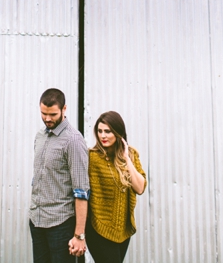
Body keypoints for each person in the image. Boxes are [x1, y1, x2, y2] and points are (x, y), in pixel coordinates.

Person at [29, 88, 90, 262]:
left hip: (61, 224)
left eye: (53, 114)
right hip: (37, 220)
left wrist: (79, 235)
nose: (47, 119)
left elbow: (81, 191)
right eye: (43, 113)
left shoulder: (73, 141)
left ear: (64, 109)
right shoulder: (40, 136)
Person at [86, 111, 146, 263]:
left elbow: (140, 188)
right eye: (99, 131)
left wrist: (126, 158)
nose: (103, 136)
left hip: (122, 230)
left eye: (108, 131)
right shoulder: (91, 157)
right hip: (97, 228)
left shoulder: (131, 155)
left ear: (118, 133)